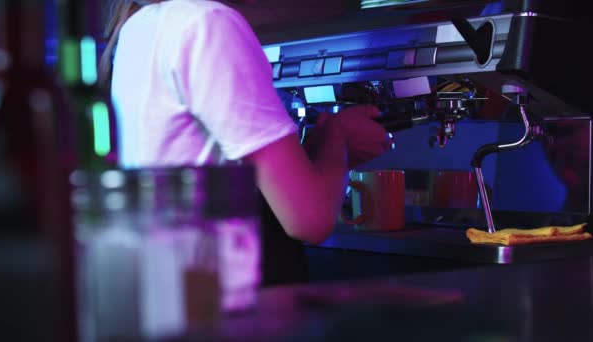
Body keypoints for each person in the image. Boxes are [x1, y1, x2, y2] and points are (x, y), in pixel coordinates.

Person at [99, 0, 389, 286]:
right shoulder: (207, 23)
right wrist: (337, 138)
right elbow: (310, 221)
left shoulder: (140, 25)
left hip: (182, 290)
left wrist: (321, 154)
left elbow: (213, 172)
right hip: (231, 297)